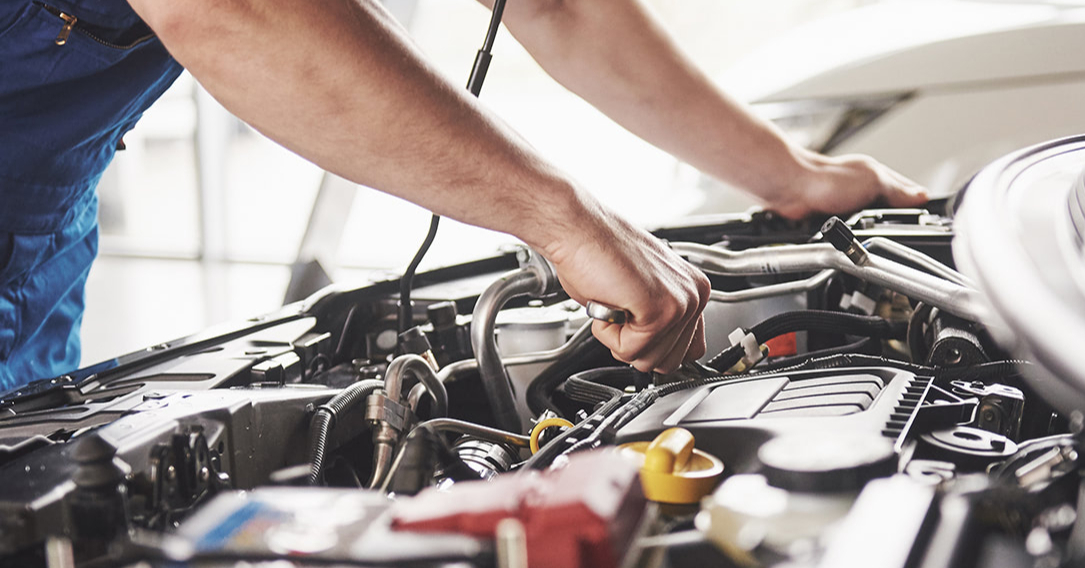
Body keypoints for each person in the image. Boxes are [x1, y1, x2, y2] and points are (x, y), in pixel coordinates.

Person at [0, 0, 927, 391]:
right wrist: (565, 219)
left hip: (36, 240)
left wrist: (791, 177)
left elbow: (556, 7)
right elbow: (235, 12)